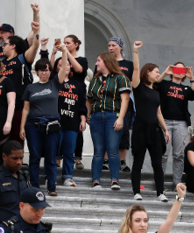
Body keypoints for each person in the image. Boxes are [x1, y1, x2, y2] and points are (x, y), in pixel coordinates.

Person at [19, 47, 68, 196]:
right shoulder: (30, 87)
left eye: (46, 70)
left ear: (49, 71)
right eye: (41, 70)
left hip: (51, 125)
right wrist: (22, 127)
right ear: (37, 72)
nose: (43, 73)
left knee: (51, 156)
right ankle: (34, 186)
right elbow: (26, 109)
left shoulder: (55, 83)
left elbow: (64, 68)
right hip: (33, 125)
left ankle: (52, 186)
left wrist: (64, 52)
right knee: (34, 156)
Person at [129, 41, 170, 202]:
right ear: (148, 73)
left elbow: (159, 112)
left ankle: (160, 192)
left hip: (155, 129)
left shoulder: (156, 92)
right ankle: (136, 191)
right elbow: (136, 69)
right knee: (138, 161)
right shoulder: (138, 87)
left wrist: (165, 129)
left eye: (159, 72)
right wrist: (136, 52)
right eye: (156, 72)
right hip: (140, 127)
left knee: (157, 163)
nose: (158, 74)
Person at [86, 52, 131, 190]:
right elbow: (89, 99)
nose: (96, 63)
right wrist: (88, 114)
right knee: (98, 150)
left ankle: (114, 180)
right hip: (97, 116)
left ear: (106, 62)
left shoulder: (120, 78)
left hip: (113, 115)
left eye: (98, 60)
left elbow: (125, 99)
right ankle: (95, 181)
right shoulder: (94, 80)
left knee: (112, 150)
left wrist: (121, 118)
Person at [156, 61, 194, 190]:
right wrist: (166, 72)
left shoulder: (185, 88)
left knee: (179, 155)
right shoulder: (165, 84)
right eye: (177, 70)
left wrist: (191, 78)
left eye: (182, 70)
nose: (179, 73)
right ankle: (159, 181)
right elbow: (155, 84)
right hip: (165, 121)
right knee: (163, 153)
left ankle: (177, 182)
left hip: (181, 122)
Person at [55, 55, 87, 187]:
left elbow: (81, 105)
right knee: (54, 150)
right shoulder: (53, 81)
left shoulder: (77, 85)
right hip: (55, 122)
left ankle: (67, 177)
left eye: (67, 64)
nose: (65, 66)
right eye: (62, 64)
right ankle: (51, 176)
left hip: (72, 122)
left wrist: (83, 119)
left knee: (69, 151)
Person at [107, 37, 134, 173]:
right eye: (109, 45)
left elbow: (134, 82)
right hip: (109, 101)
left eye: (114, 45)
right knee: (108, 130)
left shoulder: (128, 64)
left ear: (120, 47)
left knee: (124, 131)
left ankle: (122, 161)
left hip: (125, 100)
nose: (111, 48)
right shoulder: (105, 62)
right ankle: (106, 160)